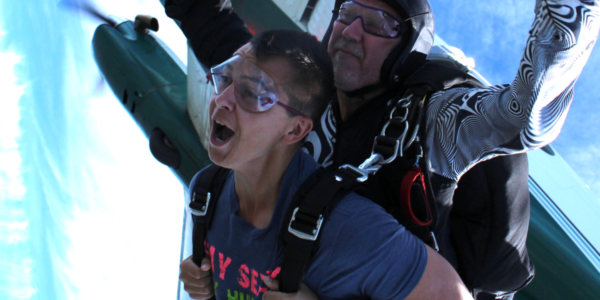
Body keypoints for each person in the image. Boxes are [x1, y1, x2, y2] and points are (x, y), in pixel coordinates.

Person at [166, 0, 600, 298]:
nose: (353, 31)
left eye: (379, 25)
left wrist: (570, 11)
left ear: (409, 50)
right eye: (348, 13)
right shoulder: (288, 97)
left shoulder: (432, 122)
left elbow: (523, 115)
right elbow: (212, 27)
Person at [183, 29, 472, 300]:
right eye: (224, 78)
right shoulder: (206, 194)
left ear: (295, 130)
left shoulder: (349, 229)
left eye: (251, 93)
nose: (221, 99)